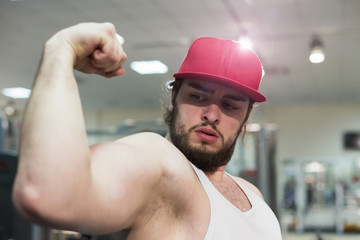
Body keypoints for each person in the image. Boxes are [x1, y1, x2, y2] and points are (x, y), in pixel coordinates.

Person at [12, 22, 282, 239]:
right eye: (198, 97)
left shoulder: (252, 195)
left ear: (245, 119)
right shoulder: (161, 164)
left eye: (230, 105)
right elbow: (48, 196)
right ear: (174, 97)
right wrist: (62, 49)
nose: (211, 115)